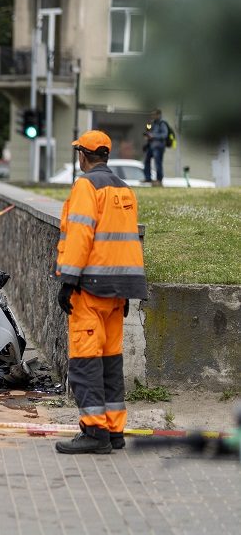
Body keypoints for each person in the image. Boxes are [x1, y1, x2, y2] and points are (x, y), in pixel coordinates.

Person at [55, 130, 148, 454]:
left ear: (83, 155)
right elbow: (128, 241)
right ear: (105, 155)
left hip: (90, 290)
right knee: (110, 362)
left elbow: (80, 236)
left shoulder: (86, 186)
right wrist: (126, 288)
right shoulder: (124, 189)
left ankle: (94, 433)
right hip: (118, 292)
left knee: (85, 362)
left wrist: (68, 281)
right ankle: (114, 429)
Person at [143, 109, 168, 184]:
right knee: (147, 161)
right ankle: (148, 178)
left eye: (154, 114)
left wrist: (153, 136)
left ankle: (159, 179)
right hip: (151, 145)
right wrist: (147, 133)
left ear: (158, 115)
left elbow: (164, 134)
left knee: (158, 163)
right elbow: (148, 130)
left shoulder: (162, 123)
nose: (152, 116)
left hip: (158, 146)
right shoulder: (152, 123)